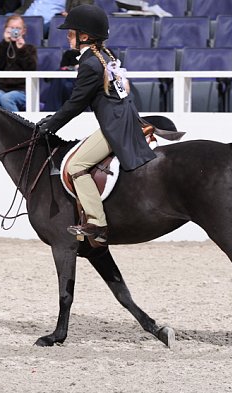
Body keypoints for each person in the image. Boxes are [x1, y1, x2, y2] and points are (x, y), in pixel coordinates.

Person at [36, 4, 156, 244]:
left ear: (84, 36)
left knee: (76, 166)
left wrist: (50, 126)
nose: (68, 37)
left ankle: (97, 223)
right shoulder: (107, 56)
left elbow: (76, 103)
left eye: (71, 33)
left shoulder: (91, 64)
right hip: (125, 118)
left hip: (116, 126)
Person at [0, 14, 37, 112]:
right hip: (3, 89)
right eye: (12, 28)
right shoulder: (2, 47)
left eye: (18, 28)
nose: (15, 31)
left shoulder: (30, 48)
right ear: (6, 29)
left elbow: (31, 68)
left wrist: (22, 50)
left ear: (23, 31)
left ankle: (17, 126)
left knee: (7, 98)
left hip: (22, 90)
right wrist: (5, 43)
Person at [15, 0, 94, 35]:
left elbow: (85, 9)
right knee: (5, 20)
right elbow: (25, 7)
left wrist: (71, 15)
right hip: (23, 16)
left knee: (33, 29)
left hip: (47, 21)